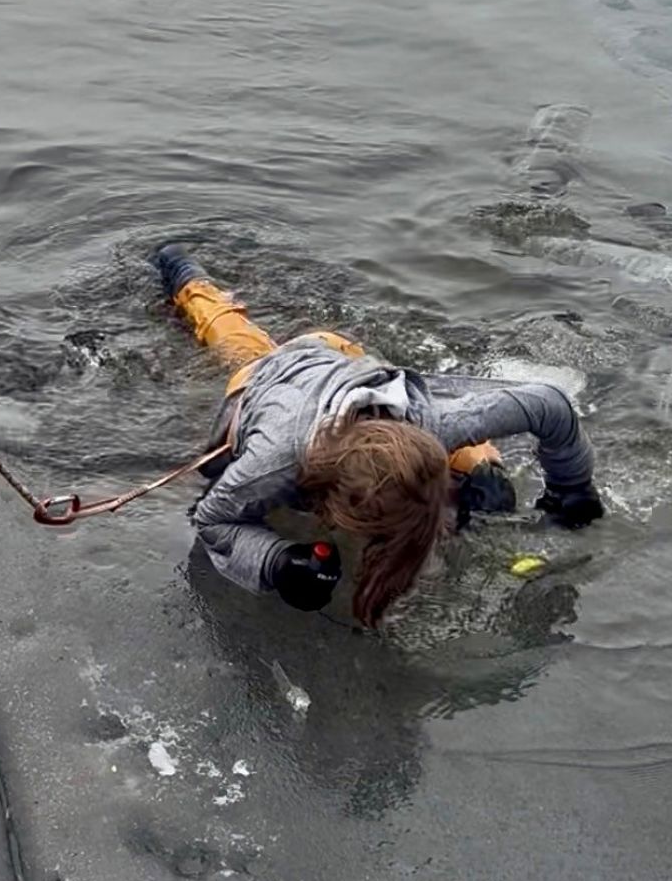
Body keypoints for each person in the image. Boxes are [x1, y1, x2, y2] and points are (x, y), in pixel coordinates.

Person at [155, 245, 604, 627]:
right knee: (232, 338)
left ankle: (470, 471)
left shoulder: (430, 422)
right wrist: (276, 561)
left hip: (341, 355)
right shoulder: (277, 460)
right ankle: (185, 276)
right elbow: (211, 519)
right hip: (263, 380)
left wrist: (570, 486)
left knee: (489, 486)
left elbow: (549, 403)